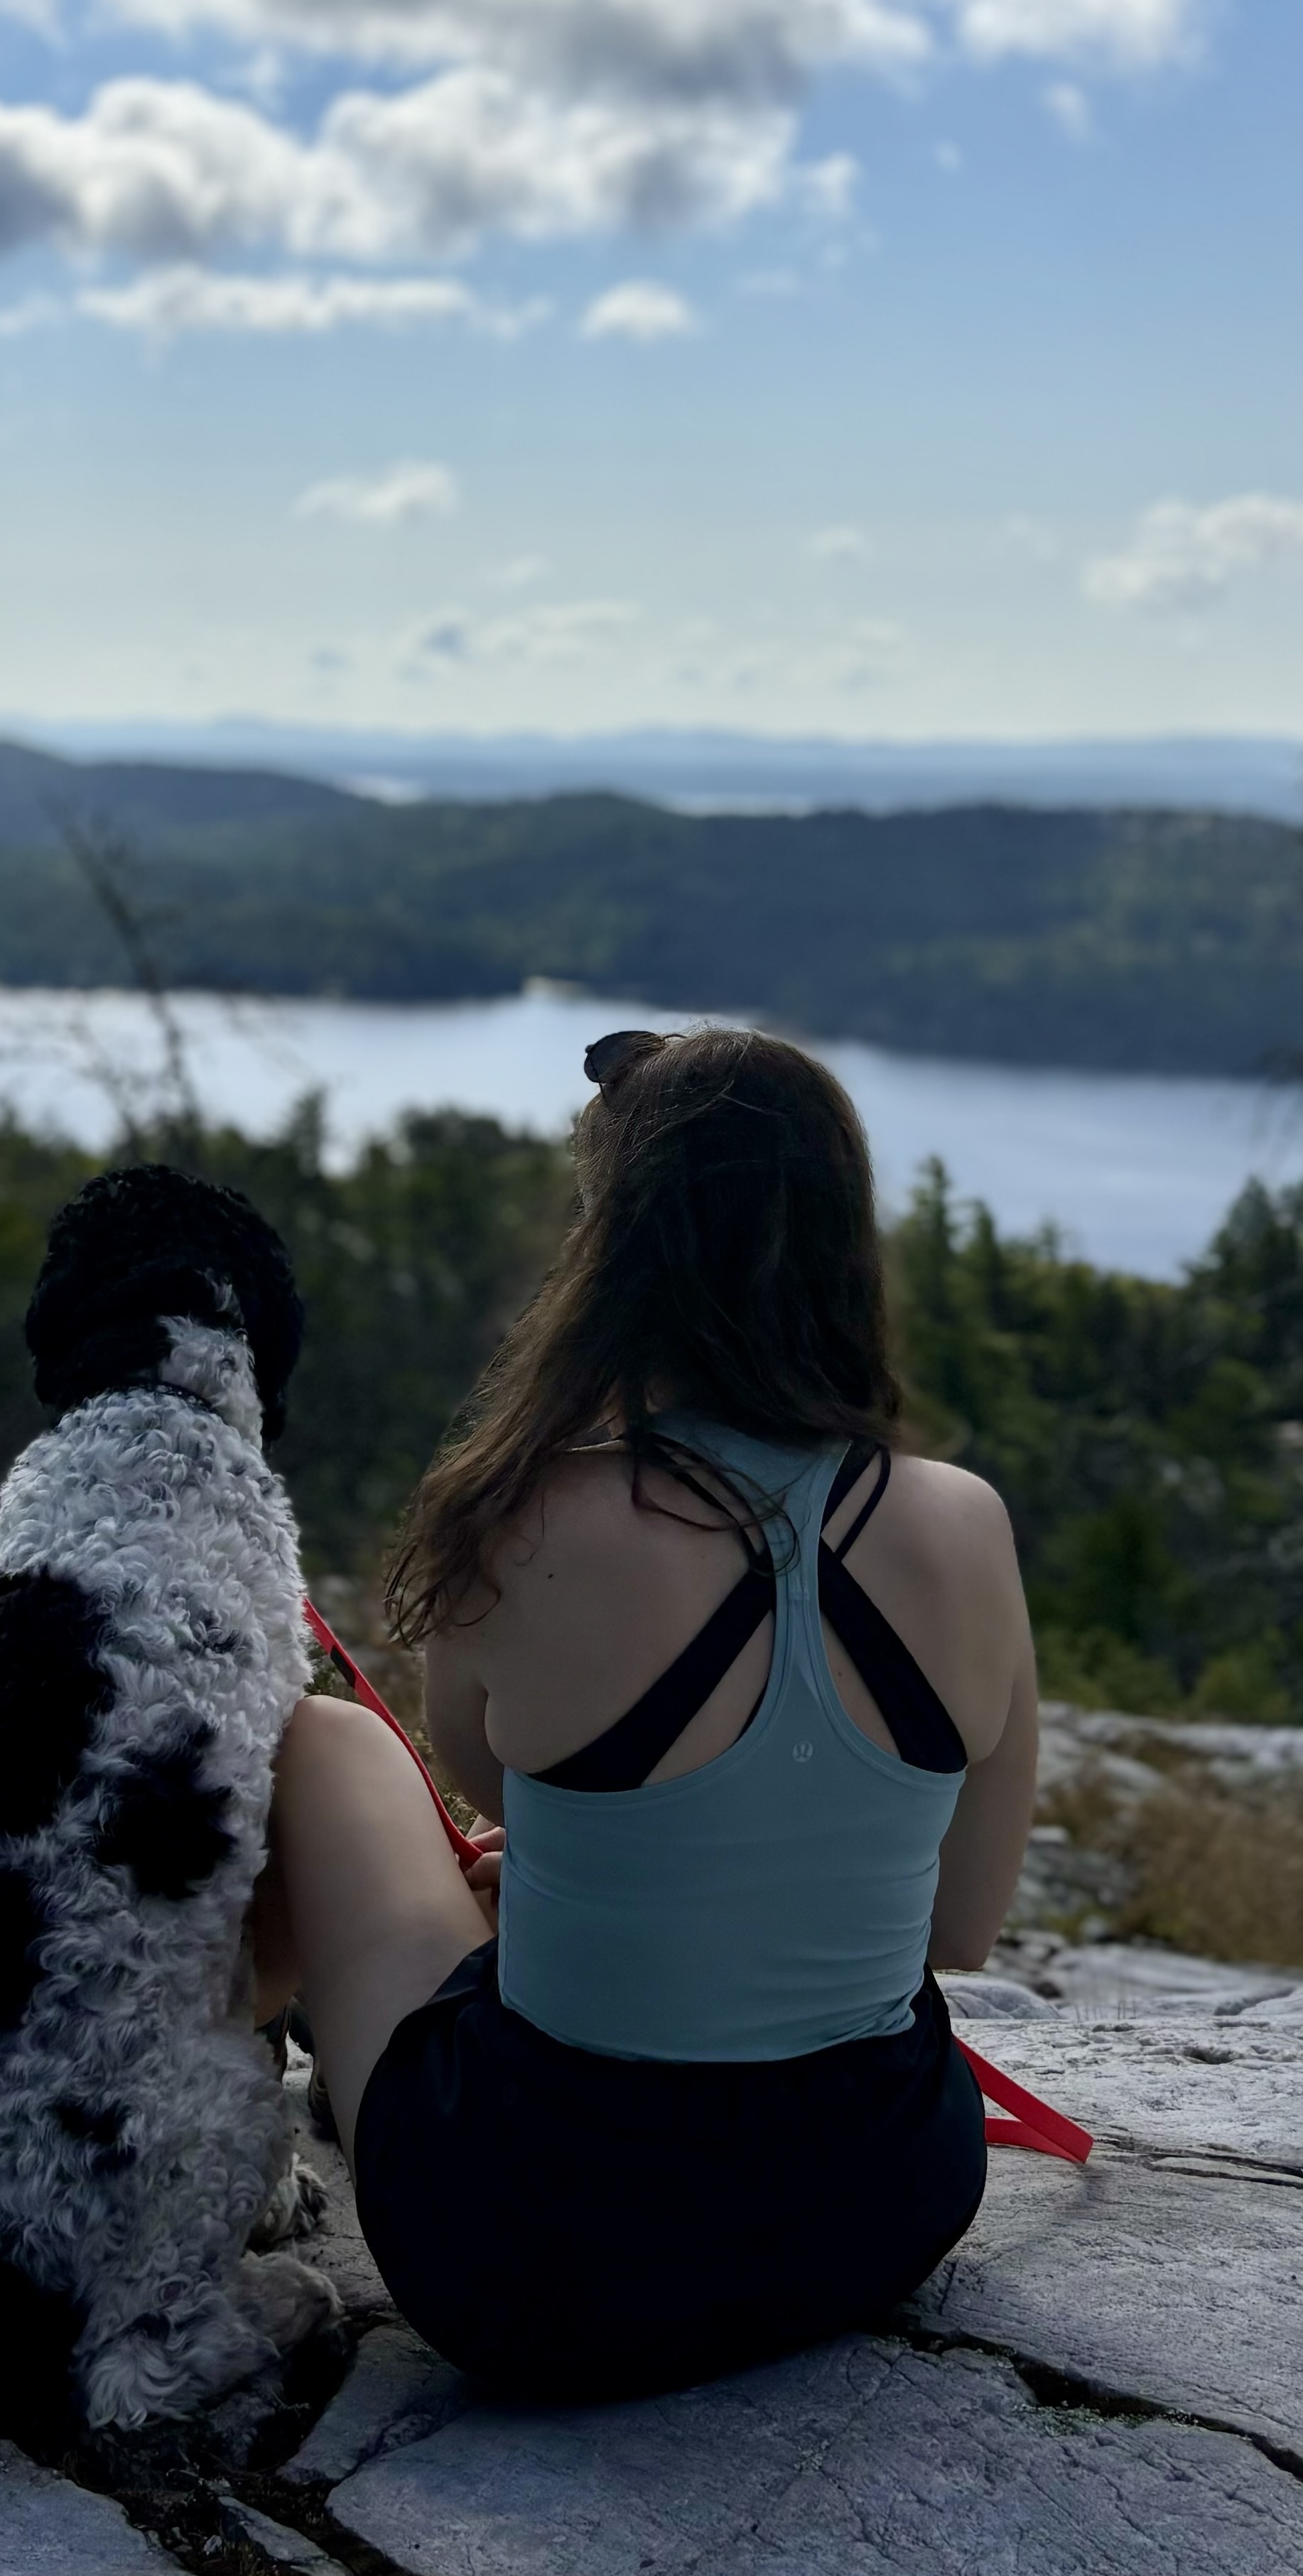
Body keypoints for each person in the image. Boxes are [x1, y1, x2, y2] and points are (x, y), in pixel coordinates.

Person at [249, 1025, 1041, 2401]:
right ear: (847, 1237)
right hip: (877, 2211)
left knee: (322, 1741)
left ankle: (203, 2121)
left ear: (613, 1252)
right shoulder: (966, 1526)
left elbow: (486, 1778)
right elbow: (958, 1928)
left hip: (541, 2264)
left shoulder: (529, 1516)